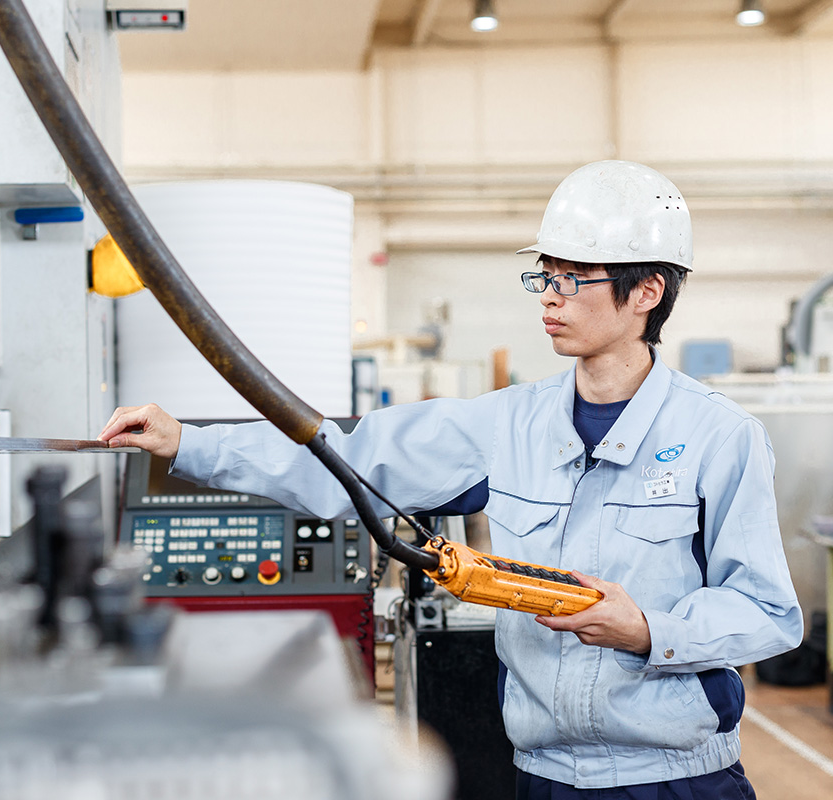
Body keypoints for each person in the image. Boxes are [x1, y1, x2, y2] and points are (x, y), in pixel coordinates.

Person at [99, 161, 803, 798]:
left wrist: (649, 630)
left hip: (678, 782)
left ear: (647, 289)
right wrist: (189, 445)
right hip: (544, 778)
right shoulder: (506, 426)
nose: (548, 298)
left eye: (571, 279)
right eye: (544, 276)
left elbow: (768, 614)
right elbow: (351, 457)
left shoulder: (719, 436)